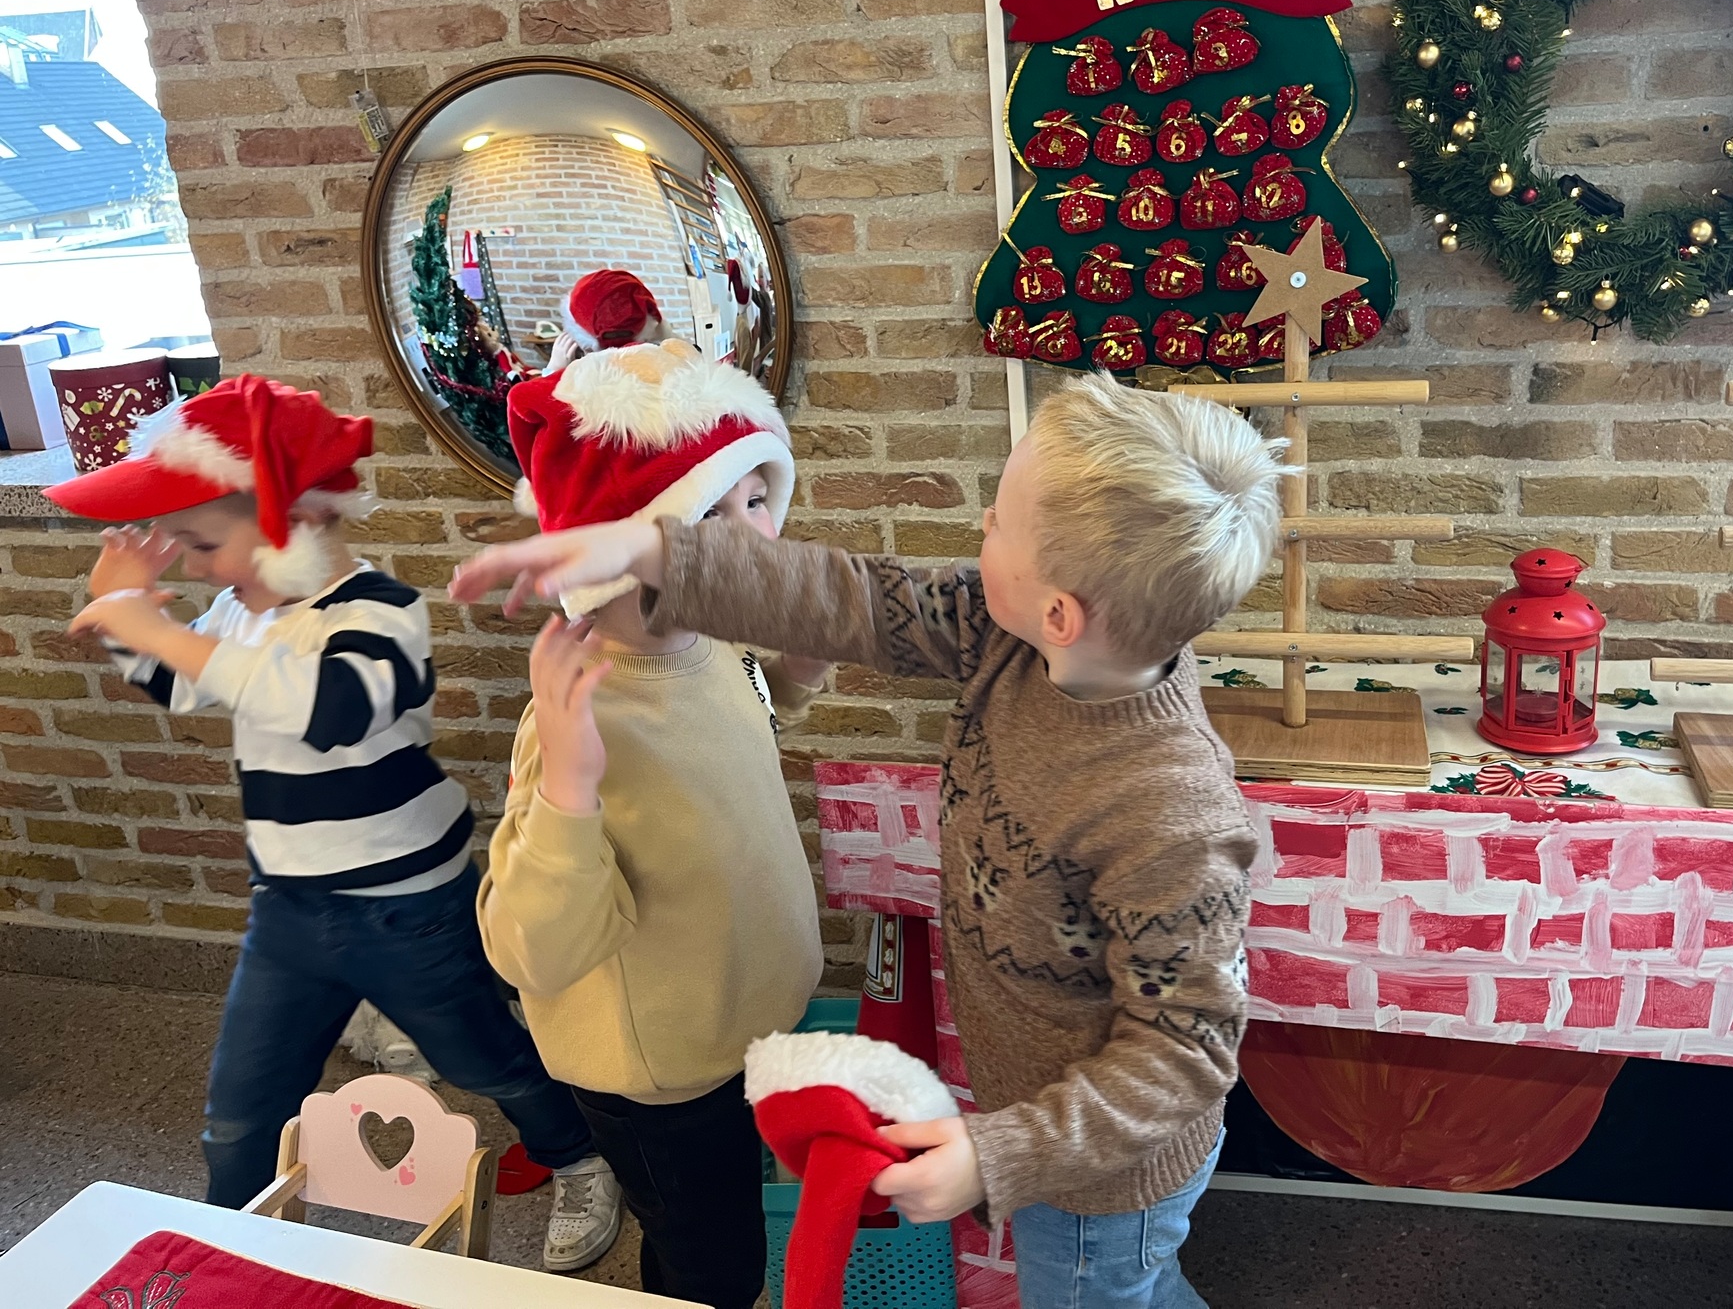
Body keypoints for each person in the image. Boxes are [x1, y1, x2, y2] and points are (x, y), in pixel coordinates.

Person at [451, 372, 1286, 1309]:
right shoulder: (1012, 636)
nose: (981, 526)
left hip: (1103, 1174)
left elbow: (1185, 1049)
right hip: (1046, 1109)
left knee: (1101, 1295)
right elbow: (854, 597)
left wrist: (997, 1154)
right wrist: (647, 548)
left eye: (999, 524)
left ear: (1061, 613)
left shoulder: (1169, 815)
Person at [43, 376, 611, 1272]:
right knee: (242, 1108)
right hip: (289, 907)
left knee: (486, 1057)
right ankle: (232, 1246)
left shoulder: (381, 611)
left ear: (297, 521)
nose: (194, 569)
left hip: (409, 908)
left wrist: (151, 627)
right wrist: (131, 620)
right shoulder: (239, 612)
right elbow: (189, 684)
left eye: (205, 544)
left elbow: (324, 710)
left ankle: (579, 1158)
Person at [477, 338, 828, 1308]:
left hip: (735, 1020)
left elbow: (739, 729)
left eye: (756, 500)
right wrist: (569, 784)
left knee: (720, 1223)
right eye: (710, 515)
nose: (757, 537)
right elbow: (530, 949)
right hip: (662, 1078)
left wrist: (797, 672)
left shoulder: (711, 640)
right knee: (712, 1266)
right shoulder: (579, 717)